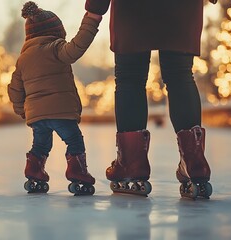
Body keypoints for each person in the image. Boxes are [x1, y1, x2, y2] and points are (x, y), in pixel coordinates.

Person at [85, 0, 214, 199]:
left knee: (130, 78)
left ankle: (131, 164)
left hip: (132, 9)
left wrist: (95, 8)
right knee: (180, 75)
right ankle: (194, 161)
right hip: (183, 7)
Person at [8, 1, 102, 195]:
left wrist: (22, 111)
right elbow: (78, 45)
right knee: (74, 141)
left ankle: (34, 169)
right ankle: (78, 171)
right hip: (61, 112)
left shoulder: (23, 59)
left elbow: (14, 89)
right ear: (56, 31)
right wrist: (91, 21)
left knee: (41, 144)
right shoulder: (56, 48)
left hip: (37, 117)